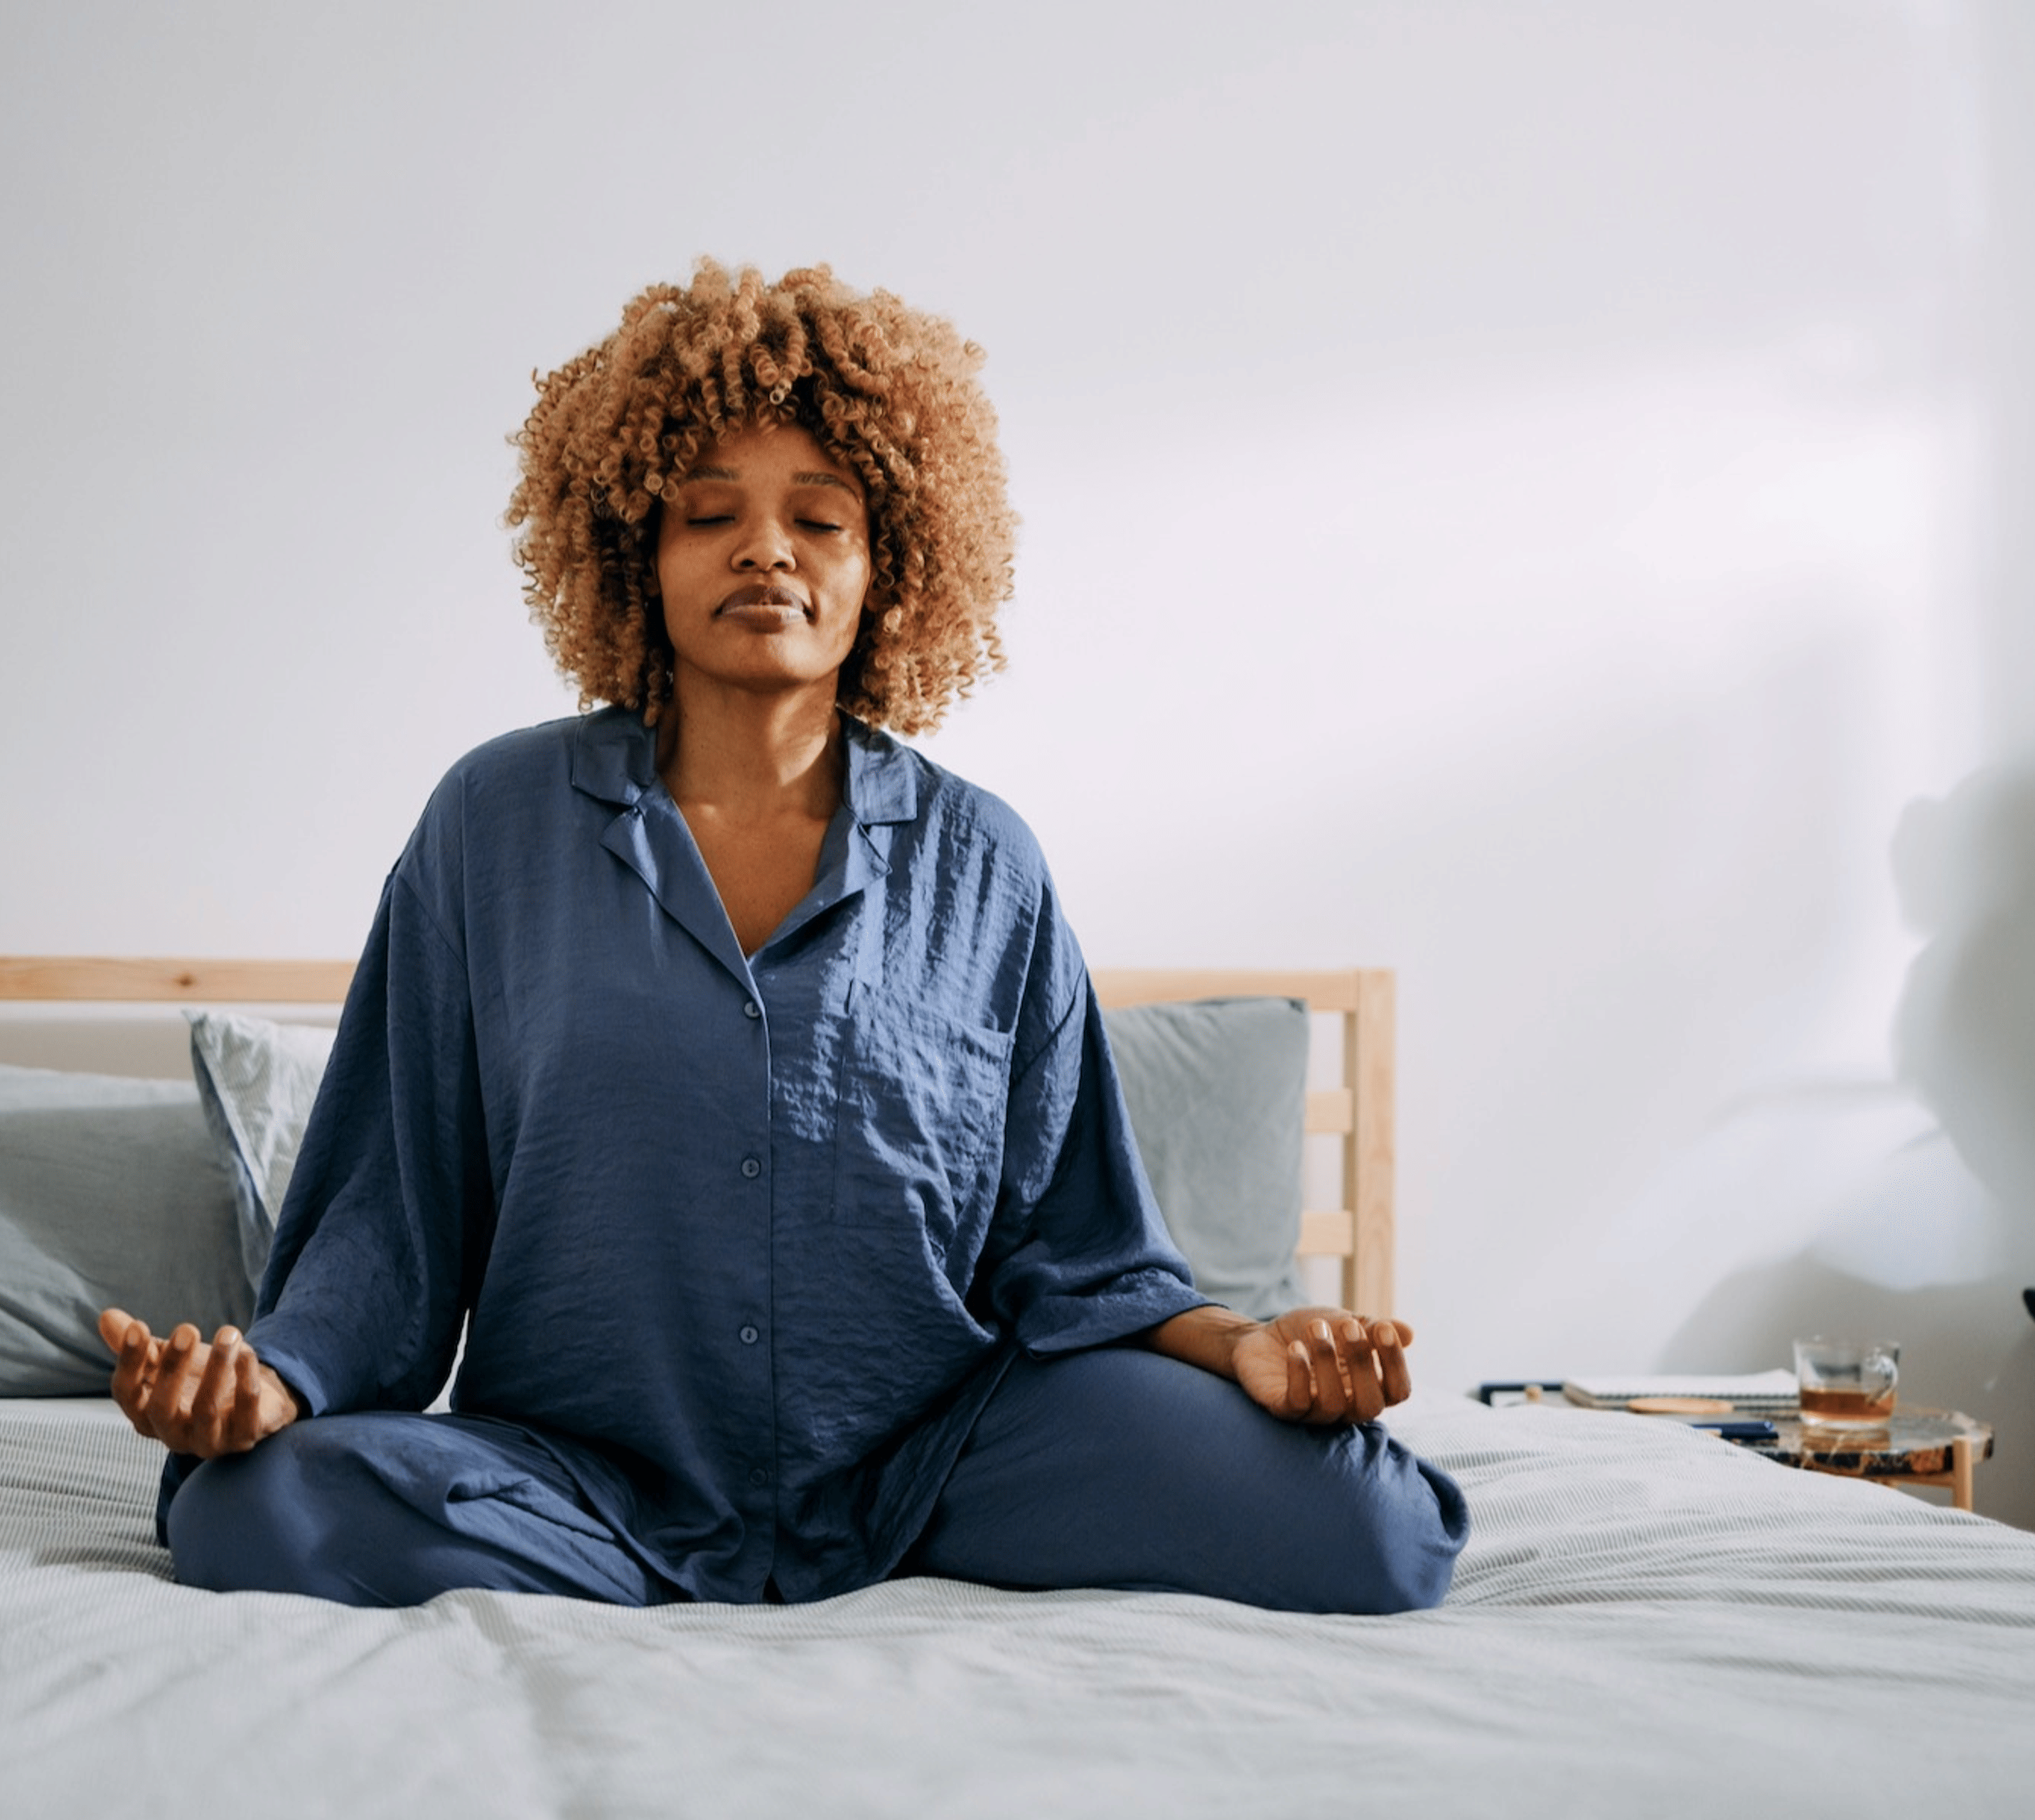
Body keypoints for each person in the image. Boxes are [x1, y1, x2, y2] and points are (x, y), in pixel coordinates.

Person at [99, 260, 1468, 1612]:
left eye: (822, 518)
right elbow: (386, 1221)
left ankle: (894, 1548)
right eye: (711, 515)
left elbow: (1085, 1251)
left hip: (942, 1464)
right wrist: (270, 1383)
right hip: (583, 1477)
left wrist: (1249, 1348)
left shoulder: (988, 863)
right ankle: (620, 1558)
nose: (768, 551)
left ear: (892, 564)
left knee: (1378, 1529)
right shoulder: (490, 827)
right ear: (638, 545)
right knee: (250, 1509)